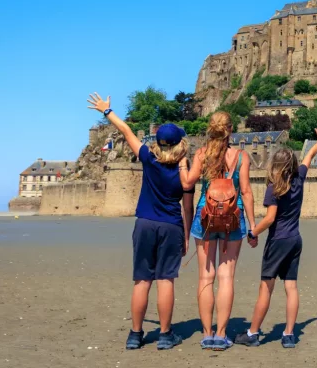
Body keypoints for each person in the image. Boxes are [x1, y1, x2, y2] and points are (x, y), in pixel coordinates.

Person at [87, 92, 187, 351]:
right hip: (171, 225)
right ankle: (165, 335)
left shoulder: (148, 158)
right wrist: (186, 235)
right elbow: (187, 203)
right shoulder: (183, 169)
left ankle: (135, 335)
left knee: (142, 280)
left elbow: (126, 131)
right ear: (178, 143)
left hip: (144, 223)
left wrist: (107, 111)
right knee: (166, 280)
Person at [235, 124, 317, 349]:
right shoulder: (299, 178)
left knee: (266, 288)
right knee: (291, 287)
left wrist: (252, 233)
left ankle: (252, 333)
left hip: (278, 240)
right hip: (295, 239)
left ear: (275, 165)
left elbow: (270, 218)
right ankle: (289, 334)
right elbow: (309, 156)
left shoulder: (274, 188)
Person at [183, 111, 256, 351]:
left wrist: (182, 163)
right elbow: (245, 191)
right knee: (226, 278)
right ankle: (222, 334)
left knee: (205, 277)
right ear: (230, 130)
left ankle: (207, 334)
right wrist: (253, 225)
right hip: (233, 219)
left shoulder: (202, 154)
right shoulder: (241, 156)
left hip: (205, 217)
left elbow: (188, 183)